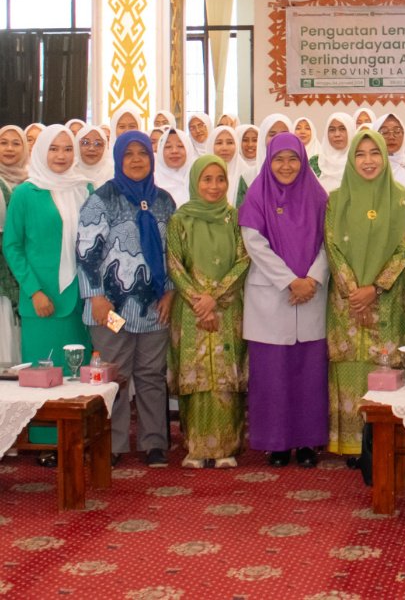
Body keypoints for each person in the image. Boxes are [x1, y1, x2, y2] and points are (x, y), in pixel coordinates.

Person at [77, 130, 176, 468]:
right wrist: (95, 297)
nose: (136, 160)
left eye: (142, 153)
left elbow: (174, 253)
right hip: (110, 308)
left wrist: (171, 292)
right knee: (113, 376)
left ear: (151, 158)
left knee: (151, 375)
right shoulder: (102, 199)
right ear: (119, 159)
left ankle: (154, 443)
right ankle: (113, 443)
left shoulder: (164, 201)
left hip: (153, 307)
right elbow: (86, 252)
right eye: (129, 154)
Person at [325, 130, 405, 467]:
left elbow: (404, 248)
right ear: (352, 160)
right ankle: (352, 446)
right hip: (347, 301)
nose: (368, 161)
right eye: (360, 154)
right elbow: (332, 246)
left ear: (385, 157)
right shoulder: (336, 201)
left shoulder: (404, 201)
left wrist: (374, 289)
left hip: (388, 301)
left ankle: (384, 442)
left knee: (386, 368)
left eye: (374, 153)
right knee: (351, 368)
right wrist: (354, 291)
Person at [239, 133, 330, 469]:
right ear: (269, 161)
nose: (286, 166)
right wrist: (291, 281)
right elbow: (254, 242)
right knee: (271, 377)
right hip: (271, 295)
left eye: (293, 159)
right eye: (279, 159)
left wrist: (313, 279)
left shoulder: (318, 196)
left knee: (309, 375)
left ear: (303, 161)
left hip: (310, 295)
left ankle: (307, 442)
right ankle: (275, 443)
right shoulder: (256, 194)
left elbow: (330, 242)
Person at [5, 125, 92, 458]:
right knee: (44, 375)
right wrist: (34, 290)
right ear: (41, 151)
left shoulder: (85, 188)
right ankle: (46, 444)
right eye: (53, 149)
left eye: (67, 149)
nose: (61, 156)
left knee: (78, 375)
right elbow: (12, 246)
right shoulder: (26, 193)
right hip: (42, 301)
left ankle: (78, 439)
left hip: (80, 299)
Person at [167, 155, 249, 469]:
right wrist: (198, 301)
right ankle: (195, 446)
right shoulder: (180, 219)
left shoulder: (235, 218)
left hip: (227, 307)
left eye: (220, 179)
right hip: (191, 311)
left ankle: (227, 446)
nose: (214, 186)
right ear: (195, 182)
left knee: (226, 376)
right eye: (207, 179)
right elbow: (175, 265)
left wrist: (213, 298)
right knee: (196, 376)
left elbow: (244, 261)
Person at [373, 112, 405, 193]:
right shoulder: (369, 169)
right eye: (384, 132)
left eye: (397, 131)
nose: (391, 137)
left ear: (403, 134)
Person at [155, 128, 192, 206]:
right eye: (168, 146)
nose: (174, 151)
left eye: (180, 146)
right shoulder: (152, 183)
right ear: (160, 151)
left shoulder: (197, 180)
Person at [315, 113, 352, 193]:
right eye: (332, 130)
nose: (337, 134)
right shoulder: (316, 163)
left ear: (351, 131)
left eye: (342, 129)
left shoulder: (358, 162)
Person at [231, 125, 259, 206]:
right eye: (245, 140)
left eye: (255, 140)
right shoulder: (231, 168)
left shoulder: (267, 168)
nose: (250, 144)